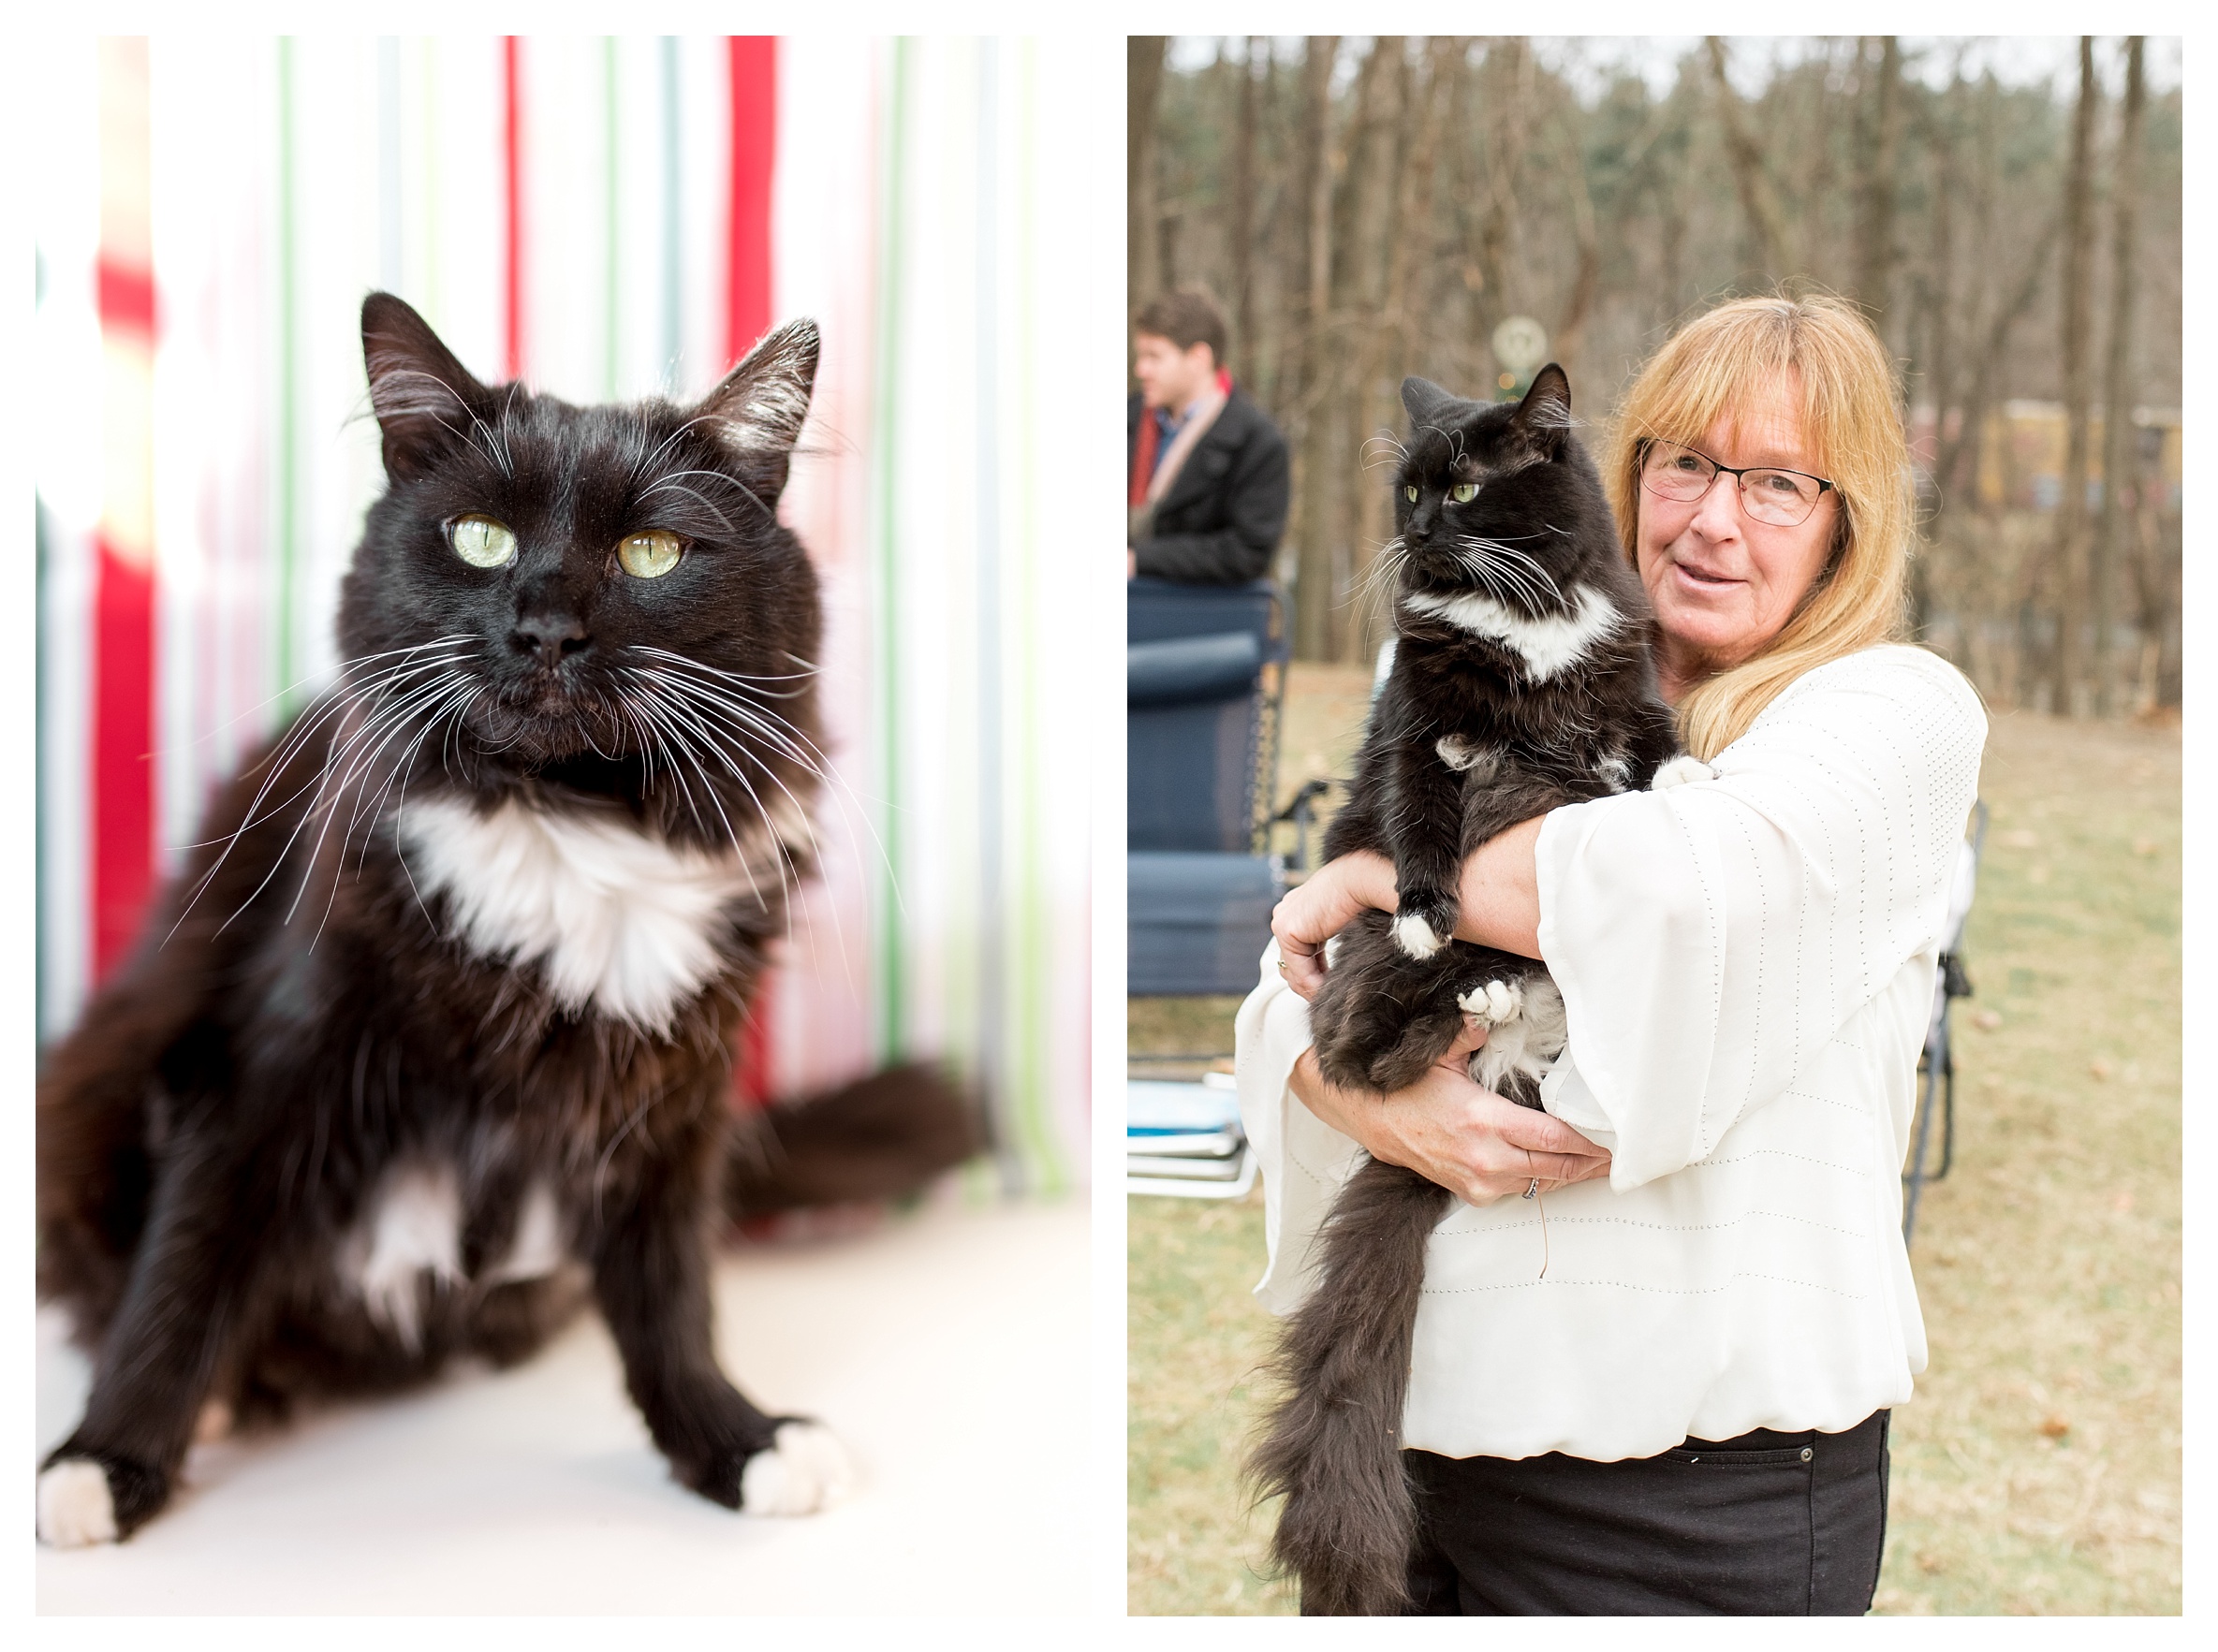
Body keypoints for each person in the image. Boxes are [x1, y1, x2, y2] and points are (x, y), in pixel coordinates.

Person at [1236, 293, 1986, 1615]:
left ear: (1845, 520)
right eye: (1684, 462)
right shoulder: (1477, 658)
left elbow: (1672, 892)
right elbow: (1284, 1002)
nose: (1710, 517)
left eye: (1775, 483)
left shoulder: (1886, 717)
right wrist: (1358, 1088)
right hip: (1408, 1443)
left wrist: (1369, 871)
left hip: (1692, 1492)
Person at [1127, 288, 1288, 585]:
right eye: (1141, 356)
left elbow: (1247, 551)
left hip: (1202, 617)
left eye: (1154, 357)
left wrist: (1141, 560)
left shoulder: (1258, 443)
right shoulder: (1131, 417)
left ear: (1199, 358)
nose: (1141, 369)